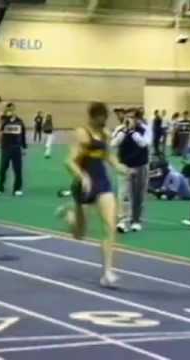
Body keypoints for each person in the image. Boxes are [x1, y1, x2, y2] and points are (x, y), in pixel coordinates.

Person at [58, 102, 129, 288]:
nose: (103, 122)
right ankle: (69, 215)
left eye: (105, 118)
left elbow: (108, 157)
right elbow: (69, 161)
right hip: (83, 186)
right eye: (100, 118)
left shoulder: (105, 134)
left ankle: (107, 272)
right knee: (79, 235)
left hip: (103, 184)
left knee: (110, 226)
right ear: (92, 117)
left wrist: (119, 167)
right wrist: (82, 176)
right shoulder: (82, 134)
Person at [111, 108, 151, 233]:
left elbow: (144, 143)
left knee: (138, 195)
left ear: (138, 118)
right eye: (127, 117)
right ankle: (122, 221)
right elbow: (113, 143)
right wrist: (124, 132)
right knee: (122, 194)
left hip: (140, 165)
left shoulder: (145, 129)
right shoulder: (120, 129)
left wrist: (133, 132)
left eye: (131, 117)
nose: (128, 119)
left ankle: (136, 220)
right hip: (124, 165)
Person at [0, 103, 27, 196]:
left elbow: (23, 135)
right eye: (8, 109)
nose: (10, 111)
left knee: (17, 169)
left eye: (12, 109)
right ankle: (0, 187)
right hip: (5, 148)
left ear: (14, 110)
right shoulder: (3, 121)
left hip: (16, 148)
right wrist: (2, 117)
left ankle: (17, 188)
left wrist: (24, 147)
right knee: (2, 169)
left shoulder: (20, 121)